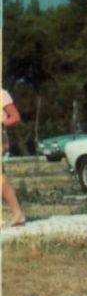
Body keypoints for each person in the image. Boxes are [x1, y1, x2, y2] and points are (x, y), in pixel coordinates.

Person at [2, 88, 26, 227]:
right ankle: (17, 213)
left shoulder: (1, 94)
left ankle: (18, 213)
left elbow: (15, 117)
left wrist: (1, 123)